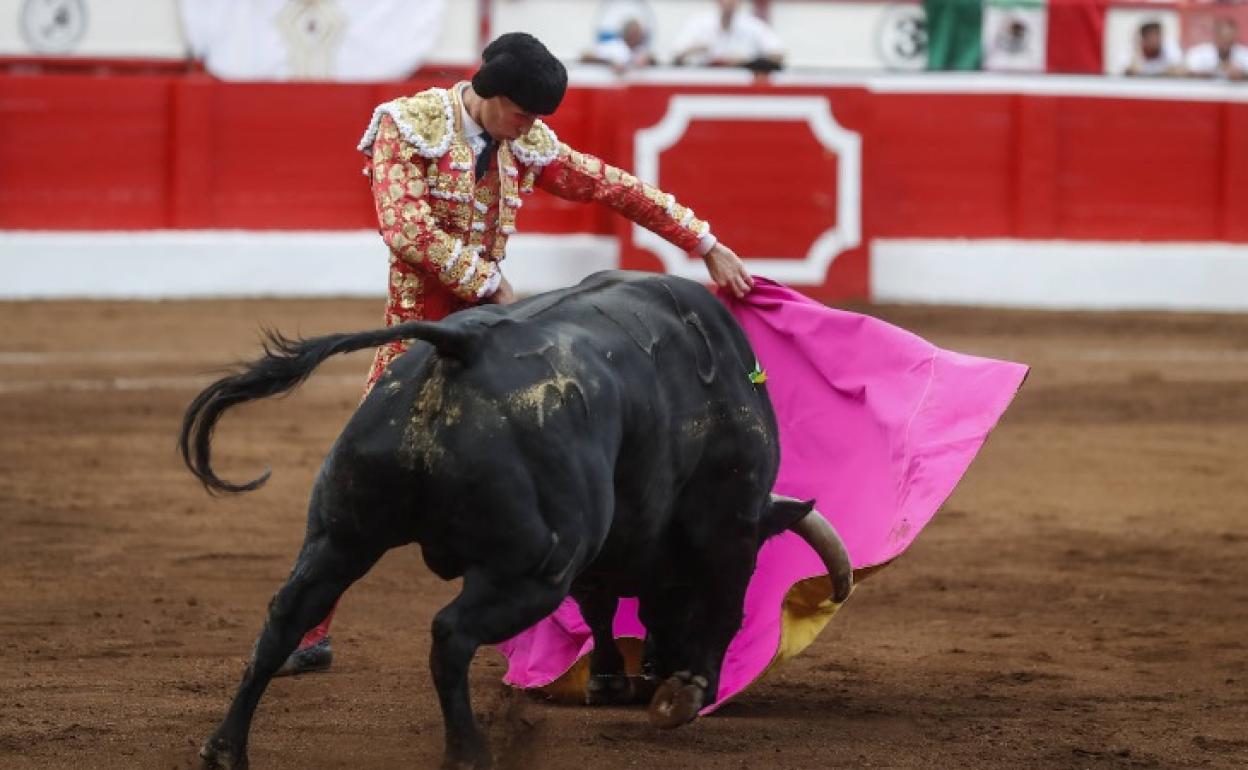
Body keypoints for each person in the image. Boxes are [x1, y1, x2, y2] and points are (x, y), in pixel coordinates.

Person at [276, 31, 752, 676]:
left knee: (553, 476)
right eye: (523, 114)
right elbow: (406, 228)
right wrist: (490, 284)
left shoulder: (523, 140)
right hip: (416, 337)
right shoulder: (406, 126)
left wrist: (703, 242)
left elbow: (611, 186)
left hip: (493, 340)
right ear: (491, 94)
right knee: (355, 485)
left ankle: (570, 635)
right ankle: (306, 632)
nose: (530, 128)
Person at [672, 0, 785, 72]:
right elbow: (675, 55)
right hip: (703, 81)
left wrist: (747, 61)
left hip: (740, 86)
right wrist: (694, 49)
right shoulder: (699, 23)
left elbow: (778, 54)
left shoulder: (753, 25)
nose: (729, 2)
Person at [581, 17, 656, 74]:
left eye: (639, 34)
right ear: (627, 33)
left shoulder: (641, 49)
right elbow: (586, 56)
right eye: (635, 33)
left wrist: (648, 60)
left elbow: (654, 60)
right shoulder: (614, 46)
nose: (638, 36)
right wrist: (610, 62)